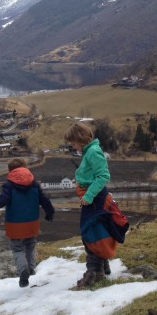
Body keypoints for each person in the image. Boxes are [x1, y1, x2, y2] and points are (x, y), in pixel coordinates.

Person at [0, 158, 54, 288]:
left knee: (18, 248)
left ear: (10, 170)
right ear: (25, 167)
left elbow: (0, 202)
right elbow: (44, 200)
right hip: (32, 222)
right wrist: (50, 213)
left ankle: (23, 270)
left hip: (15, 224)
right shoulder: (34, 183)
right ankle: (31, 268)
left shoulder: (9, 185)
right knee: (30, 244)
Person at [64, 122, 116, 288]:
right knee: (96, 231)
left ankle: (93, 272)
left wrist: (89, 195)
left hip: (94, 199)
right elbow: (90, 175)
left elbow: (103, 176)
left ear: (81, 138)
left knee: (91, 234)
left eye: (73, 143)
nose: (73, 146)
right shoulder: (89, 151)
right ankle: (102, 267)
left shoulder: (93, 152)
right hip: (91, 198)